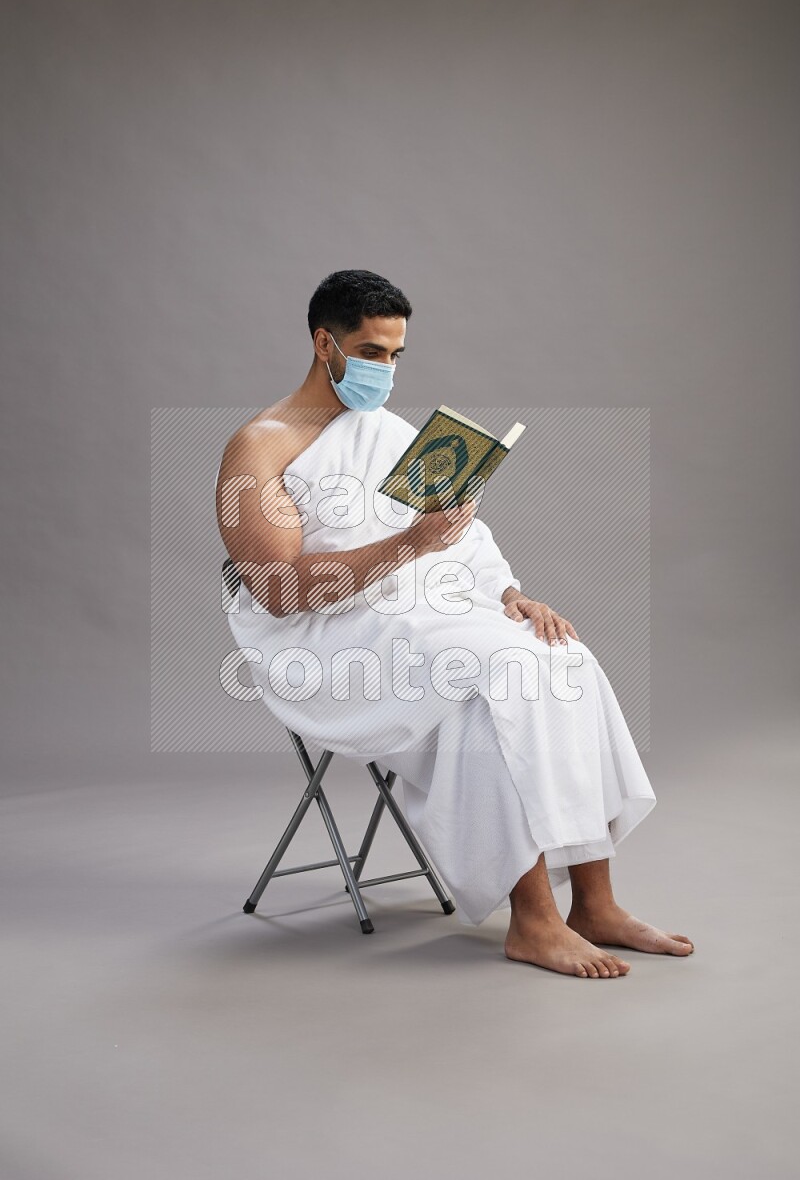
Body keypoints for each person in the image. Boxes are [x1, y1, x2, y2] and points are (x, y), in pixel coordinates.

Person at [216, 269, 694, 979]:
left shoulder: (390, 431)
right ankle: (531, 920)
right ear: (325, 344)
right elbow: (281, 593)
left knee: (560, 657)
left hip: (418, 610)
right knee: (489, 681)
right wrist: (411, 543)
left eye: (396, 355)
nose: (387, 370)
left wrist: (510, 595)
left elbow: (462, 535)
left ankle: (594, 902)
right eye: (373, 352)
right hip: (322, 641)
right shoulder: (258, 448)